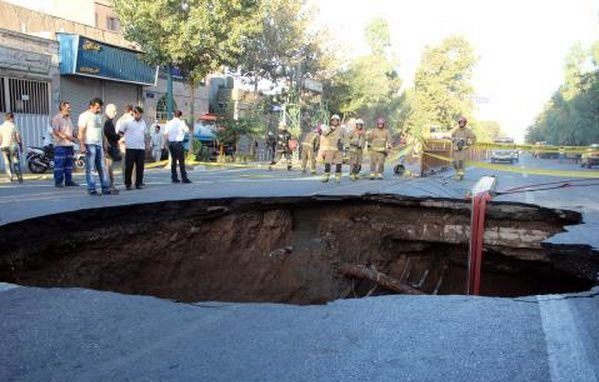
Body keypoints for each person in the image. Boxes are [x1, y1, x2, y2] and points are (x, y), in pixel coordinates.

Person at [79, 98, 111, 195]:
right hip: (89, 144)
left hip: (99, 145)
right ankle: (91, 189)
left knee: (102, 167)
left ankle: (105, 188)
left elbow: (101, 132)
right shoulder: (84, 116)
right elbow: (81, 131)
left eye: (100, 108)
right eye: (97, 108)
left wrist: (105, 143)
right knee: (91, 168)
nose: (99, 110)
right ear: (91, 106)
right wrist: (82, 146)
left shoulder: (99, 117)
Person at [118, 106, 148, 190]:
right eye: (138, 115)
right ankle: (128, 184)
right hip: (130, 147)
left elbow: (145, 133)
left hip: (141, 147)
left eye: (141, 115)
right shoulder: (127, 122)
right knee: (129, 166)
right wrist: (122, 140)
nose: (139, 117)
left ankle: (138, 183)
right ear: (134, 113)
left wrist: (147, 143)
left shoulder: (143, 122)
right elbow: (120, 132)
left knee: (140, 166)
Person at [51, 101, 79, 188]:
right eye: (68, 108)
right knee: (60, 164)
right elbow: (56, 131)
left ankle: (68, 181)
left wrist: (78, 135)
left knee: (69, 165)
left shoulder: (69, 119)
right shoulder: (57, 118)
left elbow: (72, 132)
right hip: (60, 146)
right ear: (62, 108)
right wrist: (67, 137)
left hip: (69, 145)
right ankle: (58, 182)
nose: (70, 109)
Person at [164, 110, 191, 184]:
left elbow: (166, 134)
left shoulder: (169, 123)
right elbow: (187, 131)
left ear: (174, 115)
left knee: (173, 161)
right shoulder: (181, 122)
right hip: (178, 143)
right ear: (180, 116)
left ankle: (174, 177)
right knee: (181, 161)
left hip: (171, 143)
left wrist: (165, 144)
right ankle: (184, 178)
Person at [319, 114, 344, 183]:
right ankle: (326, 176)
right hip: (329, 150)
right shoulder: (328, 128)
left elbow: (345, 138)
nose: (335, 122)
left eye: (336, 120)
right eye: (333, 120)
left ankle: (337, 177)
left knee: (338, 164)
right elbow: (324, 134)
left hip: (338, 149)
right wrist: (330, 129)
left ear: (339, 121)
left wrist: (345, 145)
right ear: (331, 121)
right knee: (327, 164)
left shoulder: (341, 129)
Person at [450, 116, 476, 180]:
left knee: (461, 162)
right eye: (460, 122)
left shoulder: (468, 131)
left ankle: (460, 176)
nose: (461, 123)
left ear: (465, 123)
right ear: (459, 123)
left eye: (463, 122)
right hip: (456, 149)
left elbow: (474, 137)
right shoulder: (456, 130)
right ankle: (457, 174)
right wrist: (453, 140)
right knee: (455, 163)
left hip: (463, 150)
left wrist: (469, 143)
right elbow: (452, 136)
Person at [0, 112, 23, 183]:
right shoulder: (13, 126)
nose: (14, 119)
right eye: (13, 118)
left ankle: (10, 178)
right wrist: (21, 146)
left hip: (3, 146)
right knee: (16, 162)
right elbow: (18, 137)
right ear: (11, 118)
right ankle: (19, 178)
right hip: (12, 146)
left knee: (7, 162)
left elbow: (0, 138)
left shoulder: (1, 126)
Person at [103, 103, 121, 194]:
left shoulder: (108, 121)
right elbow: (108, 134)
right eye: (114, 111)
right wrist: (118, 136)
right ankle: (109, 186)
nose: (116, 113)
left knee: (109, 167)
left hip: (109, 147)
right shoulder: (107, 122)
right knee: (108, 168)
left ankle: (110, 185)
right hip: (108, 147)